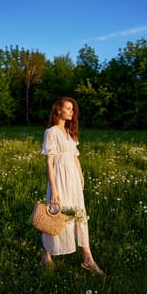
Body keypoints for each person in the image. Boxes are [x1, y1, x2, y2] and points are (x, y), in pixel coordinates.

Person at [41, 96, 104, 275]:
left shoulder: (70, 132)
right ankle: (46, 255)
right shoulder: (51, 132)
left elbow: (75, 156)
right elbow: (49, 162)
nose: (71, 112)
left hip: (73, 179)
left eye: (72, 109)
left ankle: (87, 258)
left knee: (79, 214)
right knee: (55, 214)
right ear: (58, 110)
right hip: (59, 178)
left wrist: (81, 175)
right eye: (68, 108)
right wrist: (53, 188)